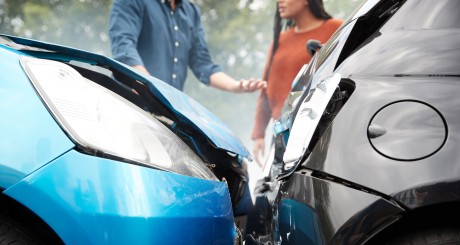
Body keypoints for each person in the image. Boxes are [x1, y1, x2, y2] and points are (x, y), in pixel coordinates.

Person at [251, 0, 344, 164]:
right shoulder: (279, 41)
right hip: (282, 134)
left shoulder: (336, 28)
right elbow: (266, 88)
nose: (280, 2)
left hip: (319, 131)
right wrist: (259, 133)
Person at [108, 0, 266, 93]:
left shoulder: (191, 12)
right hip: (128, 104)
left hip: (166, 114)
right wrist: (150, 87)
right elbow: (124, 47)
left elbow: (202, 64)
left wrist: (235, 86)